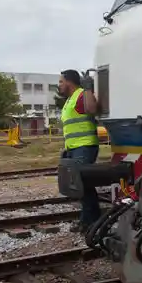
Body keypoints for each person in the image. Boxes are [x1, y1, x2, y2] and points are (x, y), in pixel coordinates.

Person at [58, 69, 101, 229]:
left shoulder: (82, 94)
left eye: (61, 82)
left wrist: (89, 87)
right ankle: (90, 220)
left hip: (85, 146)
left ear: (69, 82)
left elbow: (92, 109)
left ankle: (91, 220)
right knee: (80, 184)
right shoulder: (69, 100)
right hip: (74, 148)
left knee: (82, 182)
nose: (59, 85)